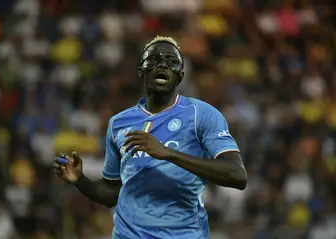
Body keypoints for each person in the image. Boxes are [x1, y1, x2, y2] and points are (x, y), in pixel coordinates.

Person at [53, 36, 247, 239]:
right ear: (141, 70)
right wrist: (79, 180)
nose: (162, 64)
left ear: (180, 75)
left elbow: (237, 175)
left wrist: (168, 153)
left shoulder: (201, 114)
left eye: (172, 61)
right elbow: (111, 193)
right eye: (153, 59)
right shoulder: (119, 123)